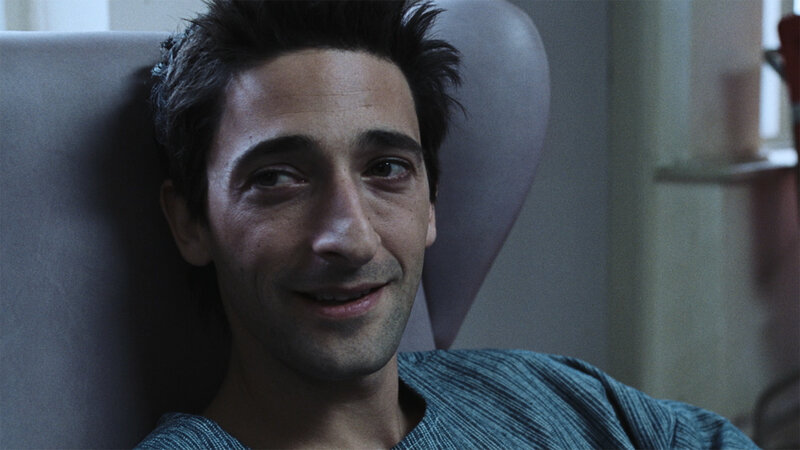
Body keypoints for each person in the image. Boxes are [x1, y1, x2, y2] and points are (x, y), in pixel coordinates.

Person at [138, 1, 756, 448]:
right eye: (277, 179)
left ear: (431, 204)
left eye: (386, 169)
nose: (353, 238)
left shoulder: (547, 394)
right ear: (189, 222)